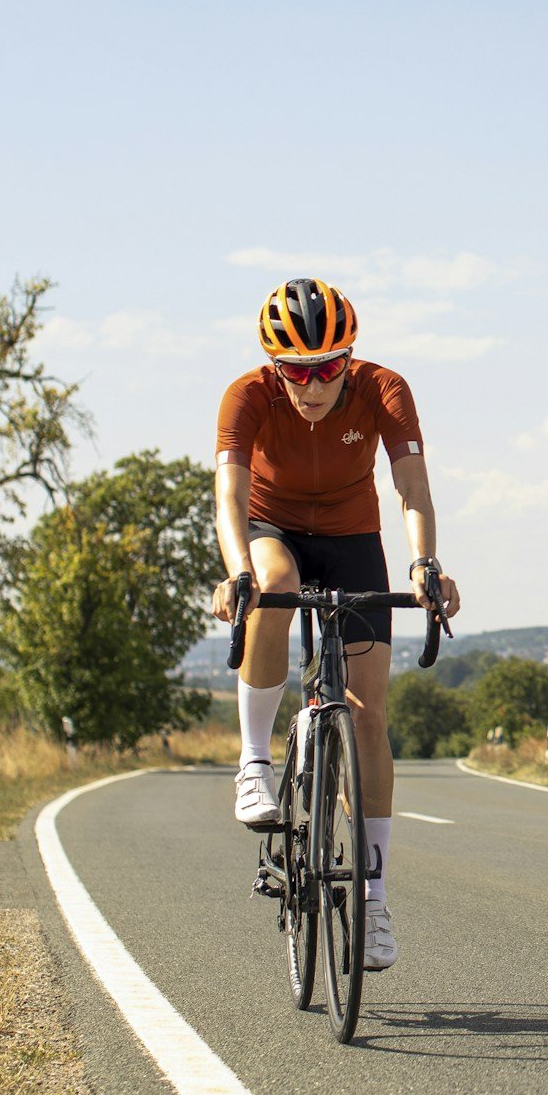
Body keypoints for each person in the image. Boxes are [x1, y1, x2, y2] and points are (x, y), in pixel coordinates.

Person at [208, 277, 461, 973]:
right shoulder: (247, 396)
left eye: (327, 367)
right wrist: (238, 572)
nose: (312, 384)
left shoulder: (385, 389)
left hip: (352, 537)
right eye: (295, 370)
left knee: (369, 714)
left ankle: (374, 901)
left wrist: (425, 563)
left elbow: (411, 484)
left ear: (349, 358)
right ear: (273, 365)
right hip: (272, 528)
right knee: (275, 584)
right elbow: (229, 493)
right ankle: (255, 762)